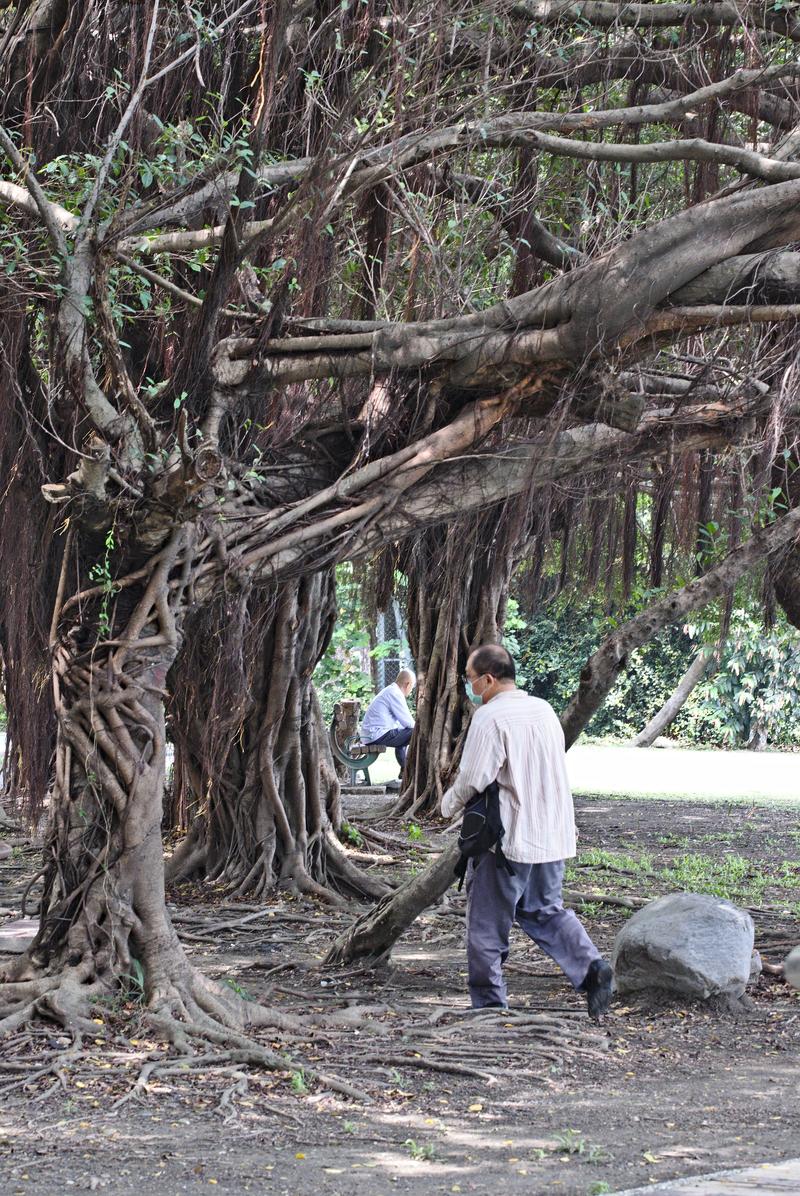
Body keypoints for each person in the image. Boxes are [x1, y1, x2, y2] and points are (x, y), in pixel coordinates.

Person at [441, 644, 613, 1018]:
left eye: (471, 681)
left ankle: (489, 1007)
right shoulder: (543, 709)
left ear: (487, 680)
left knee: (486, 925)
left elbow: (474, 777)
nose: (470, 689)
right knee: (545, 910)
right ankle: (592, 968)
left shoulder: (491, 718)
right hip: (553, 834)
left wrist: (447, 805)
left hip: (507, 841)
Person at [361, 668, 416, 769]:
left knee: (404, 734)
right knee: (416, 732)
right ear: (407, 684)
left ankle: (405, 769)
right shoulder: (395, 693)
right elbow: (409, 723)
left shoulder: (391, 691)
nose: (411, 690)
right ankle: (407, 769)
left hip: (372, 735)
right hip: (376, 735)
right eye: (412, 687)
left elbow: (402, 724)